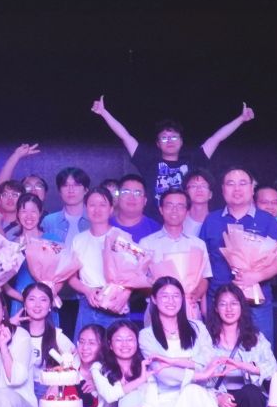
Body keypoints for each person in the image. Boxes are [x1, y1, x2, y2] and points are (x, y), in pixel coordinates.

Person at [90, 96, 255, 199]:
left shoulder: (193, 161)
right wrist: (104, 113)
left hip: (185, 222)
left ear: (181, 141)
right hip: (155, 222)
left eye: (174, 137)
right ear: (157, 143)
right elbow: (125, 136)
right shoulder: (148, 162)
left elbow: (216, 138)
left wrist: (241, 119)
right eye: (164, 138)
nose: (169, 140)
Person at [138, 276, 222, 407]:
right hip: (165, 396)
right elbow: (164, 376)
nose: (171, 301)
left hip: (199, 391)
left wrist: (173, 362)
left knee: (195, 394)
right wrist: (199, 372)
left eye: (176, 296)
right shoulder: (146, 336)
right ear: (153, 299)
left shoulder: (198, 328)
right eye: (165, 296)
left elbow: (208, 361)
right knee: (202, 402)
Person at [201, 284, 275, 407]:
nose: (229, 309)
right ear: (216, 308)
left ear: (242, 306)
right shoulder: (205, 340)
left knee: (252, 393)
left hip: (247, 399)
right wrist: (217, 397)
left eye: (234, 303)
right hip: (219, 397)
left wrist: (242, 365)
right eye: (223, 304)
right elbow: (197, 376)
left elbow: (273, 370)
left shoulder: (256, 338)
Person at [68, 186, 136, 333]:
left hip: (116, 302)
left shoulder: (121, 237)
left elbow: (135, 274)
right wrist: (87, 291)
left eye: (102, 205)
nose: (97, 209)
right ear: (86, 209)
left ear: (111, 209)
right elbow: (71, 278)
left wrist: (125, 294)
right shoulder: (78, 240)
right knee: (86, 345)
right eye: (92, 205)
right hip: (88, 302)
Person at [148, 188, 213, 315]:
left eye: (180, 206)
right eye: (169, 205)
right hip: (157, 311)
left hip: (190, 308)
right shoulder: (147, 243)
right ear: (161, 210)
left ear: (187, 211)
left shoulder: (198, 244)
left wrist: (195, 295)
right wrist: (162, 295)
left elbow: (205, 278)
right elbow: (141, 280)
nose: (174, 210)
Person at [42, 167, 91, 244]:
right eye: (65, 185)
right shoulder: (49, 221)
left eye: (76, 185)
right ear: (59, 191)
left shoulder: (95, 219)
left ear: (86, 190)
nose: (71, 190)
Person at [111, 176, 161, 242]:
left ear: (145, 201)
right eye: (126, 192)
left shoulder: (156, 231)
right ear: (118, 198)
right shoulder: (105, 226)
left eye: (138, 193)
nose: (131, 197)